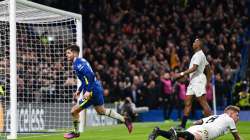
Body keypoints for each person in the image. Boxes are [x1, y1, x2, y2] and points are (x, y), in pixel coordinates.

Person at [63, 44, 133, 139]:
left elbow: (91, 76)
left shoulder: (78, 64)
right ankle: (125, 119)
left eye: (68, 53)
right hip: (96, 87)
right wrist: (79, 90)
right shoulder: (80, 62)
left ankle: (76, 132)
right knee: (101, 111)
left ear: (74, 53)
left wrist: (87, 91)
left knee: (74, 111)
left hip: (92, 91)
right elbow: (85, 79)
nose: (66, 55)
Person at [173, 38, 212, 129]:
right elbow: (209, 69)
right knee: (187, 103)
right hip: (193, 82)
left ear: (199, 44)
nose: (193, 43)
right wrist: (208, 82)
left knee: (203, 102)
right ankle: (182, 125)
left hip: (198, 81)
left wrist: (181, 73)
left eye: (195, 41)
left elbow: (194, 68)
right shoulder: (200, 55)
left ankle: (212, 125)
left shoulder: (199, 55)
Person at [148, 105, 241, 140]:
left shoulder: (216, 116)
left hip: (197, 128)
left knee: (179, 139)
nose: (238, 118)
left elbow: (199, 121)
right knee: (194, 138)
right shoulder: (229, 120)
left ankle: (158, 132)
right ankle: (176, 133)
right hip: (205, 131)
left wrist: (195, 123)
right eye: (236, 115)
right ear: (230, 113)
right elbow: (236, 137)